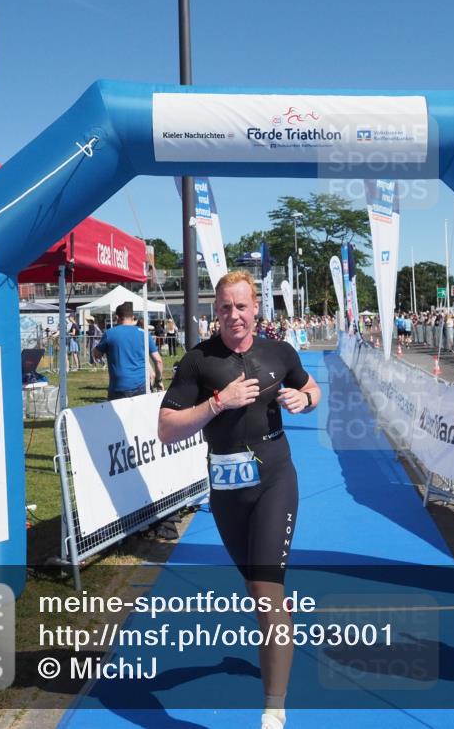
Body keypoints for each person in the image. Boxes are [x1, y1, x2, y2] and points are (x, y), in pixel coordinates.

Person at [158, 270, 320, 729]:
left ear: (256, 310)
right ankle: (278, 639)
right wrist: (217, 403)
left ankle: (273, 710)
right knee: (258, 592)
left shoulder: (279, 352)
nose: (234, 315)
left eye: (242, 306)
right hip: (227, 489)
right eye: (225, 307)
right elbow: (166, 429)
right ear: (216, 312)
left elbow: (312, 389)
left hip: (275, 478)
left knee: (265, 591)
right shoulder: (197, 362)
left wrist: (304, 401)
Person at [93, 302, 164, 400]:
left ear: (117, 317)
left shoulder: (109, 334)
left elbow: (96, 355)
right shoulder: (144, 334)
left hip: (118, 387)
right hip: (141, 386)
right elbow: (158, 361)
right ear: (133, 317)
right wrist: (158, 380)